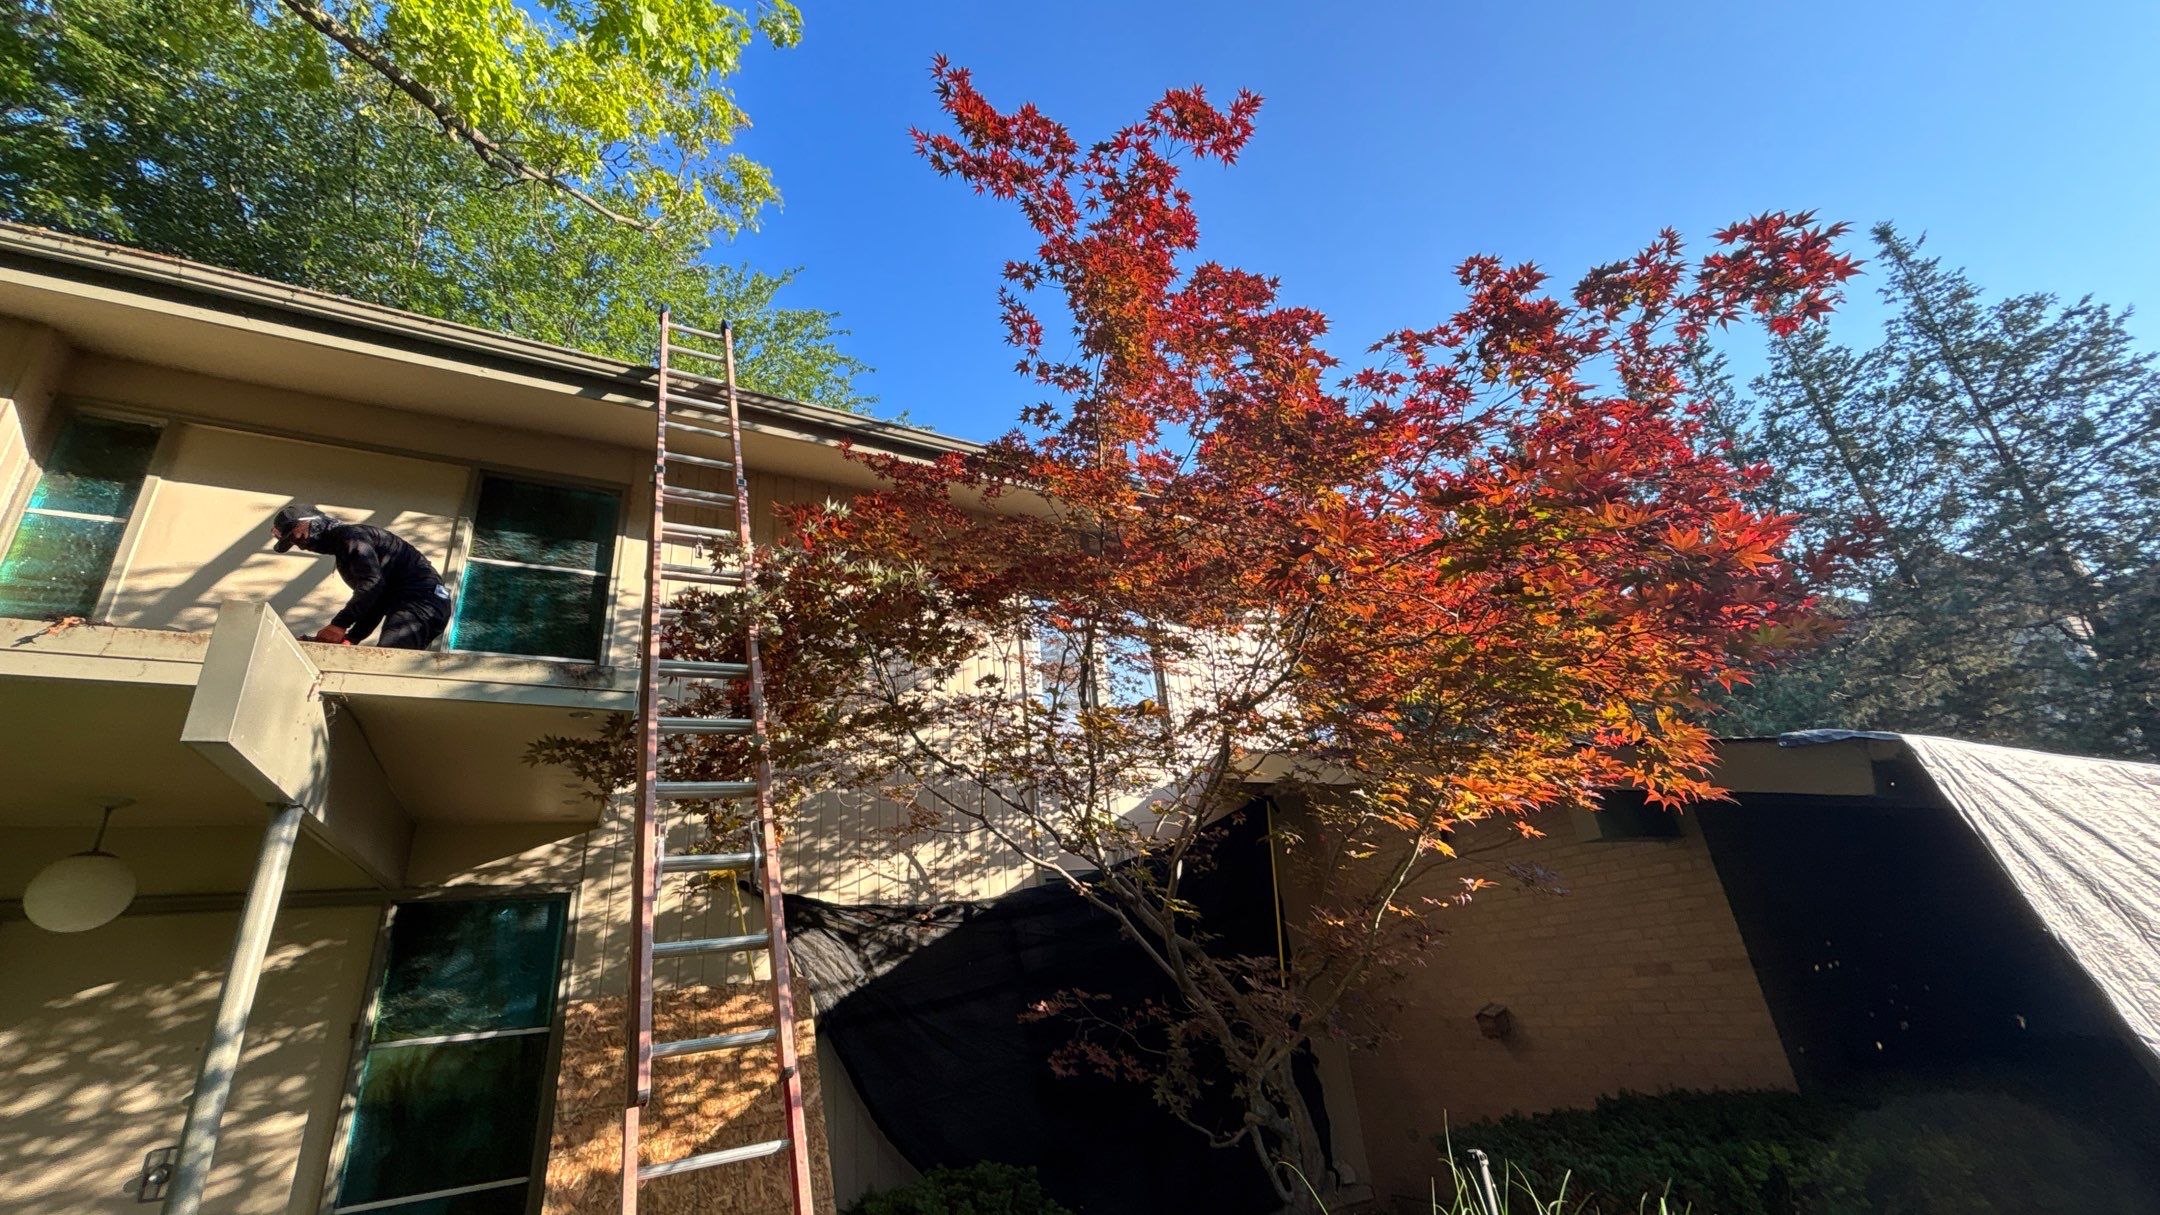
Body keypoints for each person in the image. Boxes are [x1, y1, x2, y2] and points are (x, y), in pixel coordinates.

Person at [269, 503, 453, 649]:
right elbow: (376, 600)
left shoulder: (351, 537)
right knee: (388, 661)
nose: (301, 546)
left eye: (298, 537)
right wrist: (352, 638)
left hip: (422, 602)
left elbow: (372, 584)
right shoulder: (346, 548)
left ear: (313, 523)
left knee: (390, 663)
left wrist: (339, 625)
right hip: (424, 604)